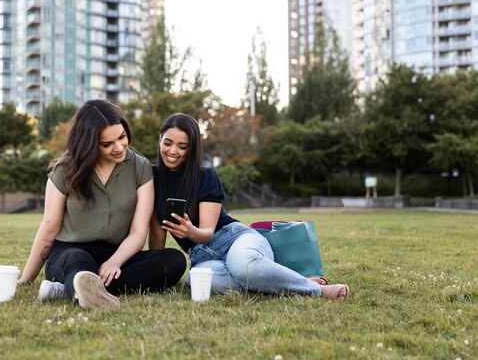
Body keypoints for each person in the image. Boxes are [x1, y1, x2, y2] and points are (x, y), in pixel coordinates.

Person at [149, 113, 349, 299]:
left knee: (244, 266)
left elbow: (208, 233)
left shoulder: (204, 176)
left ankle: (315, 288)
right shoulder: (153, 179)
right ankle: (276, 280)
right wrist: (156, 270)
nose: (173, 151)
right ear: (160, 139)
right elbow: (157, 233)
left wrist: (190, 231)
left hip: (235, 238)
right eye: (168, 143)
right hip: (202, 256)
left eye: (182, 146)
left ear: (191, 148)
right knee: (196, 280)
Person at [19, 99, 186, 309]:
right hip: (70, 252)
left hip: (118, 255)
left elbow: (138, 232)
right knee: (78, 262)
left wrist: (115, 262)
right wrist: (26, 279)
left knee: (173, 260)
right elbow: (49, 228)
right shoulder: (64, 170)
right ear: (88, 144)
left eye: (122, 137)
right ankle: (81, 283)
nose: (118, 147)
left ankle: (72, 289)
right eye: (106, 144)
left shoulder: (140, 167)